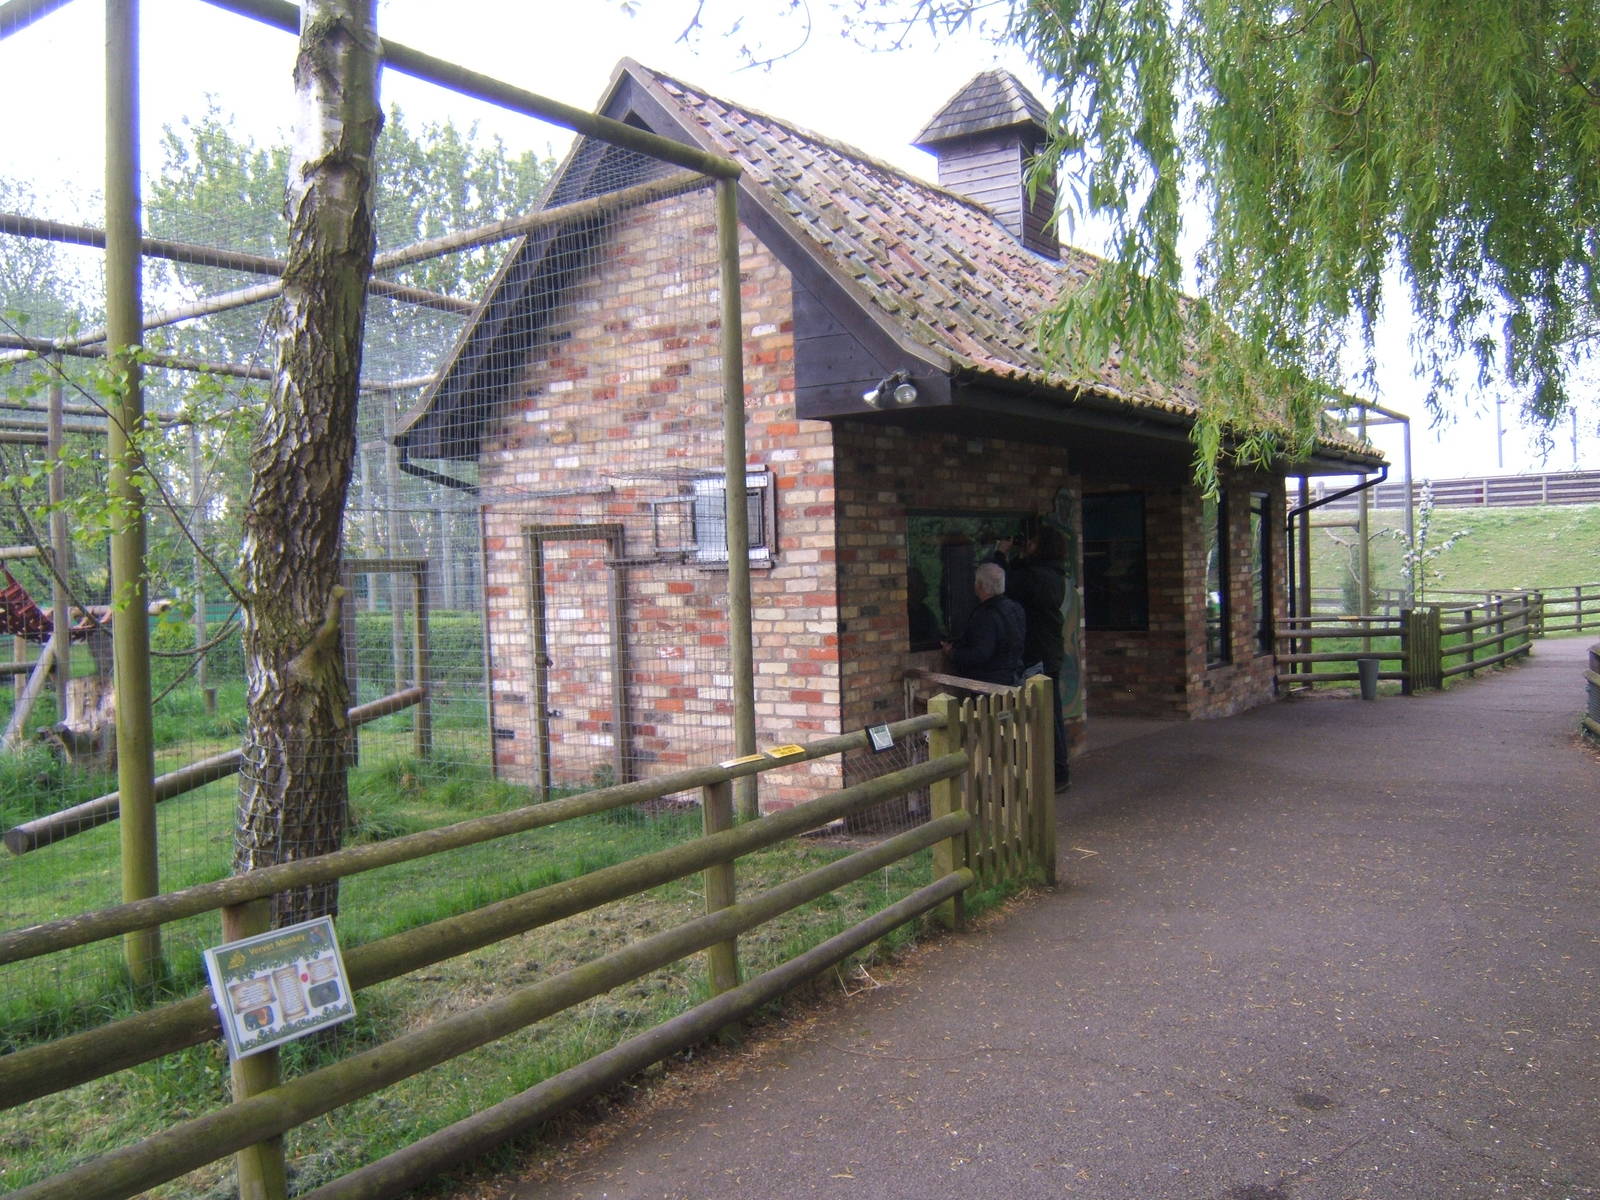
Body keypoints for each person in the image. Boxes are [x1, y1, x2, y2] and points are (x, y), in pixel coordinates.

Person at [1008, 523, 1072, 787]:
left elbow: (1009, 585)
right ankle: (1058, 771)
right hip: (1048, 651)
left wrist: (1003, 556)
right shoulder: (1053, 575)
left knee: (1046, 714)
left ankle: (1056, 774)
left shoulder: (1036, 577)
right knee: (1052, 713)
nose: (1028, 547)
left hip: (1038, 654)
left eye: (1032, 543)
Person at [941, 561, 1024, 686]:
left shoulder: (986, 615)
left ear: (980, 585)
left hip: (989, 684)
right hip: (1013, 677)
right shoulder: (1015, 608)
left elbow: (980, 653)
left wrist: (953, 653)